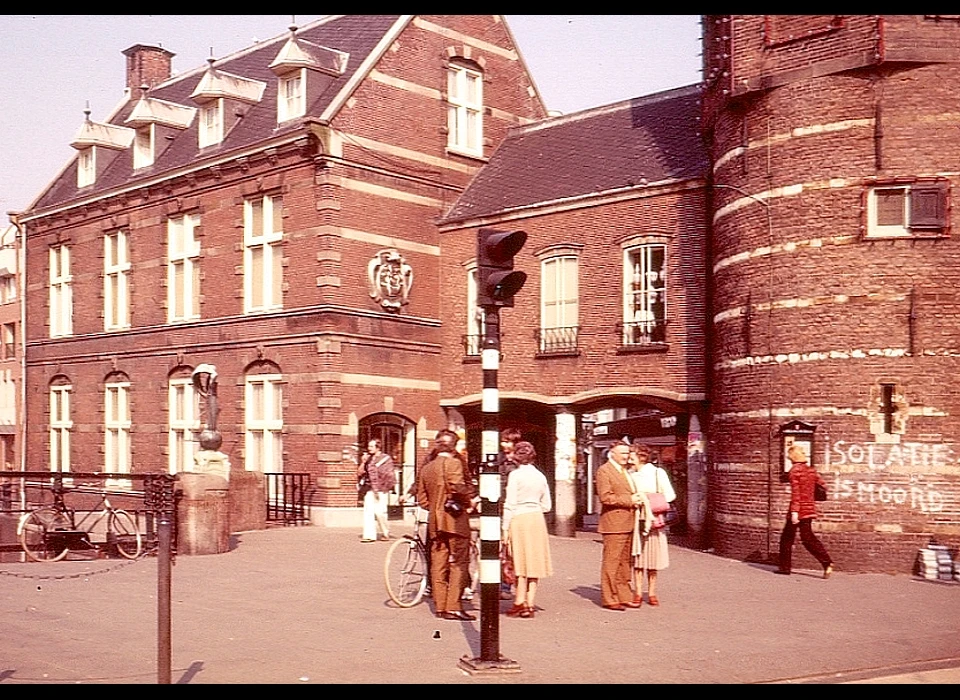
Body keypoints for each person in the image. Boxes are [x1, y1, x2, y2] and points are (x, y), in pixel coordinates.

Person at [415, 430, 479, 620]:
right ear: (453, 446)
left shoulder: (427, 468)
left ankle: (440, 606)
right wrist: (469, 503)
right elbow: (458, 487)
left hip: (435, 523)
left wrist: (437, 508)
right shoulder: (454, 463)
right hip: (455, 522)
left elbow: (422, 500)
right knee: (459, 562)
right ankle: (453, 606)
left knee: (438, 562)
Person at [501, 441, 553, 619]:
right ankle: (529, 604)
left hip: (519, 519)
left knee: (520, 562)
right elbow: (547, 505)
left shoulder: (515, 476)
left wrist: (504, 529)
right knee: (534, 562)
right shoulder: (540, 476)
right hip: (537, 519)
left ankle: (518, 602)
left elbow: (510, 504)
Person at [596, 440, 646, 610]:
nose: (626, 456)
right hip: (614, 523)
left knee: (625, 562)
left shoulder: (626, 472)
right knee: (612, 561)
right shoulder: (604, 471)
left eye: (627, 453)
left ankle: (624, 595)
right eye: (623, 453)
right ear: (613, 454)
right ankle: (609, 598)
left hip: (629, 522)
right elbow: (605, 497)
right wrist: (630, 500)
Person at [777, 443, 834, 578]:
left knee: (786, 539)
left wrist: (795, 512)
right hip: (809, 508)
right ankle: (827, 563)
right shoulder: (811, 470)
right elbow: (823, 486)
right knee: (808, 538)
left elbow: (796, 494)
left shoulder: (794, 471)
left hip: (798, 510)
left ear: (792, 457)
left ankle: (785, 568)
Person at [628, 443, 674, 606]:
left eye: (631, 453)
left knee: (653, 558)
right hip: (636, 519)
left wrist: (648, 499)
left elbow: (669, 495)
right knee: (638, 557)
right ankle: (638, 592)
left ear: (641, 455)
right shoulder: (630, 474)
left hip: (654, 519)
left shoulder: (657, 473)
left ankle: (652, 592)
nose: (629, 456)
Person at [357, 438, 396, 542]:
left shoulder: (386, 459)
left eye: (371, 446)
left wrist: (385, 486)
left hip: (381, 489)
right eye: (369, 446)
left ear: (378, 447)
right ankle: (369, 535)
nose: (369, 449)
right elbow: (360, 473)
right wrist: (363, 462)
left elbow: (389, 474)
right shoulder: (367, 459)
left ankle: (385, 532)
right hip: (369, 489)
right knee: (368, 512)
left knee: (380, 512)